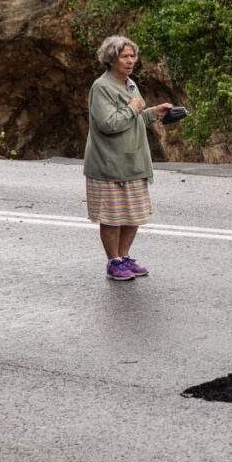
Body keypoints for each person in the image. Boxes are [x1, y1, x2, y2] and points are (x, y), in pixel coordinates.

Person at [83, 35, 172, 281]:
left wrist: (155, 112)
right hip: (109, 163)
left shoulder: (130, 85)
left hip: (133, 162)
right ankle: (113, 262)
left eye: (133, 56)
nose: (131, 60)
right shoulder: (102, 87)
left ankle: (124, 257)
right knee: (112, 217)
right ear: (111, 59)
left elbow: (138, 117)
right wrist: (134, 107)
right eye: (125, 56)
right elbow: (107, 123)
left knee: (133, 214)